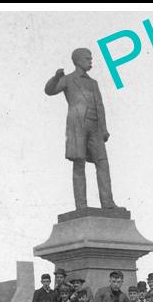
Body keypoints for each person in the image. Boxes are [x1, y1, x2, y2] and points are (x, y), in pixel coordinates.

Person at [44, 47, 120, 212]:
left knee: (103, 163)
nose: (90, 61)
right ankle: (81, 206)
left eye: (90, 58)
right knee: (79, 164)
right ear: (78, 61)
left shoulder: (93, 83)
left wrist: (104, 128)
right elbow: (49, 91)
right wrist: (56, 77)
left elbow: (100, 106)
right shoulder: (68, 79)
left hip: (95, 127)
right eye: (87, 58)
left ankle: (108, 203)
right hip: (77, 126)